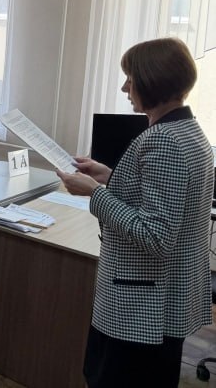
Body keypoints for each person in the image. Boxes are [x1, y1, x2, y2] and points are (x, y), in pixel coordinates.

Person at [56, 38, 213, 388]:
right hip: (164, 296)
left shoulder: (163, 141)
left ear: (152, 81)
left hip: (141, 304)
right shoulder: (188, 131)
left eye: (130, 78)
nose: (125, 88)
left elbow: (155, 236)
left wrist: (94, 192)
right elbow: (163, 196)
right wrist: (108, 175)